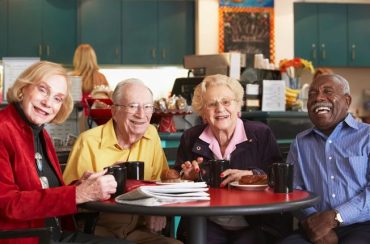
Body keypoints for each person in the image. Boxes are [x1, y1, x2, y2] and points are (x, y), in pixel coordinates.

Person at [0, 61, 131, 244]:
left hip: (51, 235)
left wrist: (81, 185)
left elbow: (44, 190)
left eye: (58, 98)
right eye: (42, 90)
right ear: (23, 88)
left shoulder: (40, 133)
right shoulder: (3, 129)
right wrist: (78, 194)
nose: (48, 103)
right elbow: (7, 203)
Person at [63, 79, 181, 244]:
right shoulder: (88, 141)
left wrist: (158, 209)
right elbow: (69, 198)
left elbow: (160, 182)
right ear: (114, 111)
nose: (141, 115)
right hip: (98, 230)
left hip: (139, 230)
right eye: (132, 106)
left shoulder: (152, 134)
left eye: (147, 107)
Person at [174, 74, 289, 243]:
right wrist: (186, 178)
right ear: (203, 112)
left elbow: (280, 179)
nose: (220, 109)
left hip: (255, 223)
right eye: (212, 104)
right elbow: (175, 181)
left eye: (226, 102)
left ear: (238, 107)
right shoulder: (190, 137)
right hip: (207, 221)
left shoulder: (260, 134)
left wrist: (252, 176)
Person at [281, 74, 370, 243]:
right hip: (312, 224)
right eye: (312, 94)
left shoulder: (367, 136)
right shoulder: (300, 142)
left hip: (363, 225)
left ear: (347, 101)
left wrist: (334, 218)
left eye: (327, 91)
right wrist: (314, 221)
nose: (318, 98)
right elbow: (293, 189)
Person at [72, 44, 110, 131]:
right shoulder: (101, 77)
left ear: (77, 59)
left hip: (76, 119)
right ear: (93, 58)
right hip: (96, 121)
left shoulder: (73, 79)